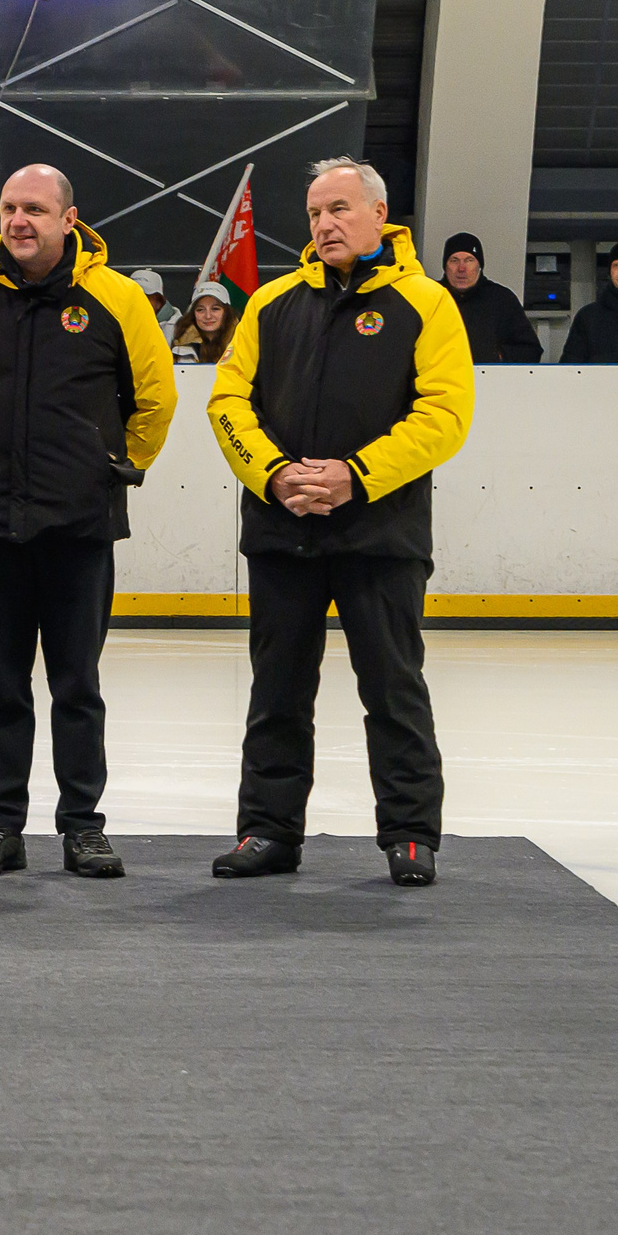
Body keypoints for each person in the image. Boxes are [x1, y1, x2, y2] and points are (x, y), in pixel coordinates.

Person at [208, 157, 474, 887]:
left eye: (339, 209)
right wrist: (273, 473)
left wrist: (355, 476)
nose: (323, 224)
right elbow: (228, 403)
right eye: (314, 212)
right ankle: (267, 829)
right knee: (277, 691)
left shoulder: (426, 303)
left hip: (381, 535)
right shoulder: (272, 302)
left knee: (393, 688)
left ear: (379, 216)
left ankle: (411, 833)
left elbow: (444, 416)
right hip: (282, 528)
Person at [0, 164, 176, 880]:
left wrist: (112, 466)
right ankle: (0, 825)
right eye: (9, 207)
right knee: (0, 685)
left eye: (34, 208)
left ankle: (83, 827)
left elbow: (154, 399)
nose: (18, 220)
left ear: (69, 218)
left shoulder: (117, 298)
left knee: (77, 685)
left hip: (79, 523)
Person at [439, 232, 541, 364]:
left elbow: (530, 350)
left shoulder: (502, 299)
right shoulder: (431, 298)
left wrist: (494, 357)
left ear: (479, 266)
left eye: (469, 260)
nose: (461, 268)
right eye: (454, 260)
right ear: (445, 266)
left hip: (490, 376)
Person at [170, 280, 234, 364]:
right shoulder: (179, 347)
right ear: (193, 314)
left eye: (215, 309)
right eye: (200, 310)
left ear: (226, 312)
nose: (208, 316)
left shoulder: (242, 344)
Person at [131, 266, 179, 344]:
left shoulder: (180, 329)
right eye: (133, 297)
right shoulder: (119, 323)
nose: (137, 302)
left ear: (159, 299)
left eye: (145, 297)